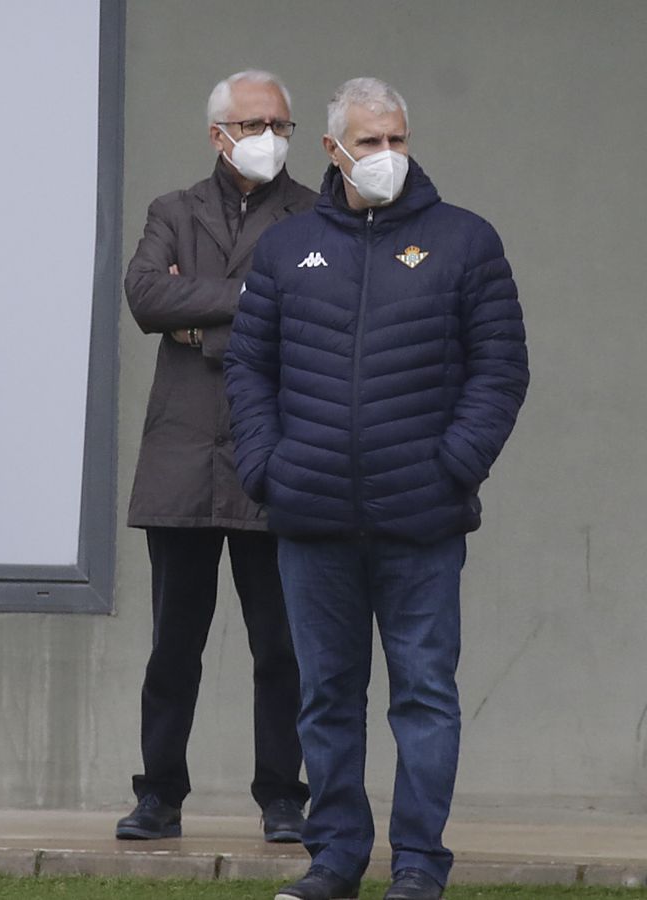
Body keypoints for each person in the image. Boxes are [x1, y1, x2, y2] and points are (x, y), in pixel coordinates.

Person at [225, 77, 528, 900]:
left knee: (424, 697)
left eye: (397, 139)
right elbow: (250, 368)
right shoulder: (287, 250)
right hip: (312, 516)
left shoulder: (465, 241)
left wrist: (452, 465)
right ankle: (335, 860)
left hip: (421, 519)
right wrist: (268, 466)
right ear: (333, 150)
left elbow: (500, 371)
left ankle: (420, 869)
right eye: (370, 142)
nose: (387, 155)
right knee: (326, 698)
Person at [117, 70, 313, 844]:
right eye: (254, 123)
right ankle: (158, 795)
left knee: (282, 646)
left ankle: (283, 798)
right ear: (218, 133)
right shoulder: (173, 209)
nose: (269, 137)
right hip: (182, 454)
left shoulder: (315, 214)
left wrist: (199, 319)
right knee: (173, 646)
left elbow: (306, 312)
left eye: (281, 124)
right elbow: (144, 298)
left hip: (275, 455)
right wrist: (252, 301)